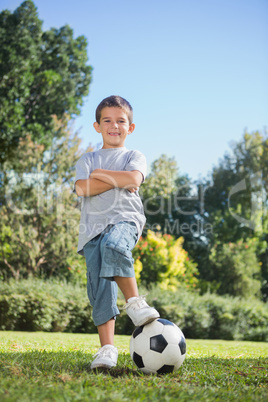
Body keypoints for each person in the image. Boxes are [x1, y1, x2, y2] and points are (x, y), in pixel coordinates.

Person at [74, 95, 159, 369]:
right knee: (100, 289)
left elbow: (134, 179)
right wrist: (115, 180)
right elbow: (82, 189)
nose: (114, 126)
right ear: (97, 126)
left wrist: (100, 175)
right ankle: (107, 349)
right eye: (107, 120)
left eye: (120, 121)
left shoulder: (134, 156)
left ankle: (134, 302)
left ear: (130, 127)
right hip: (91, 231)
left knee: (115, 245)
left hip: (125, 220)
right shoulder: (88, 159)